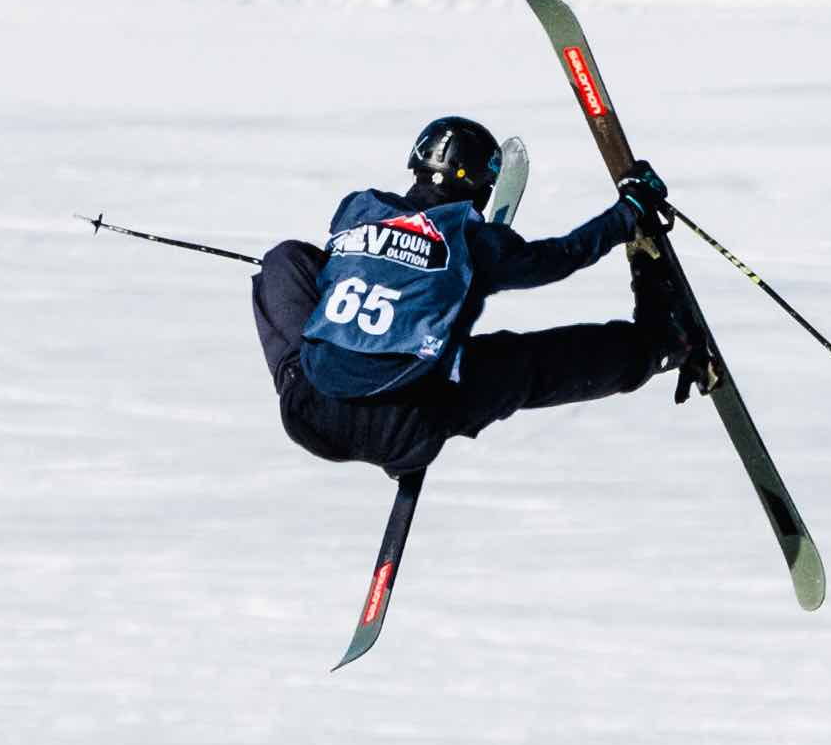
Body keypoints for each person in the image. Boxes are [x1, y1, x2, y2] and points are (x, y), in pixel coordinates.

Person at [250, 118, 687, 483]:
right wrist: (628, 213)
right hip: (404, 430)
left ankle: (314, 372)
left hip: (308, 414)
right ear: (480, 186)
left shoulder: (358, 209)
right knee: (527, 364)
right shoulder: (474, 241)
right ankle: (661, 346)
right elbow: (560, 258)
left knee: (285, 259)